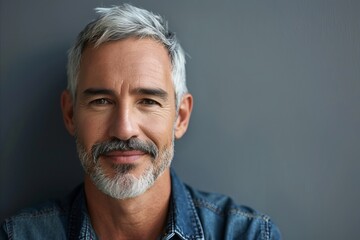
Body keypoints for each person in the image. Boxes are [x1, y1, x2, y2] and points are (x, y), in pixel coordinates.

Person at [1, 4, 281, 239]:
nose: (124, 129)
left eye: (148, 101)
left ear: (180, 117)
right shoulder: (19, 235)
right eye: (101, 101)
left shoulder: (249, 235)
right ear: (70, 114)